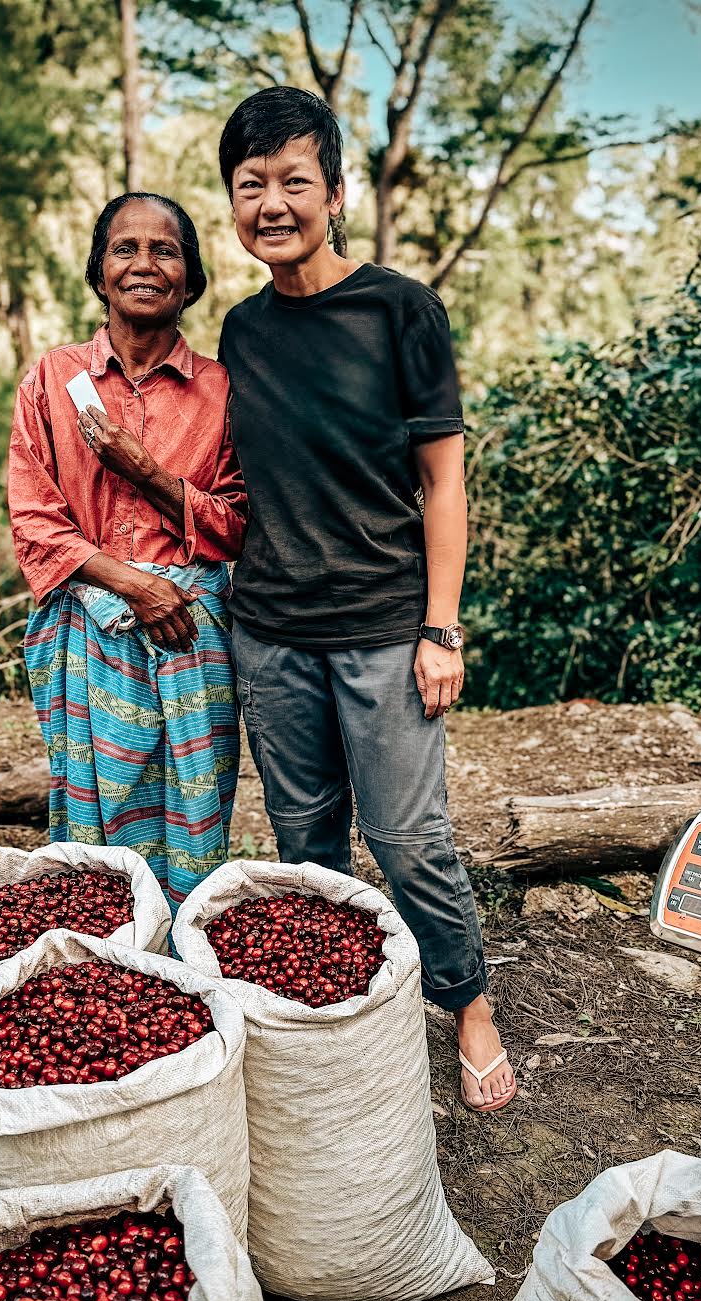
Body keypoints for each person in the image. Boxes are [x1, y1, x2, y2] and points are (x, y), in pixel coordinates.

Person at [216, 88, 516, 1112]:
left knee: (406, 835)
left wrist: (442, 627)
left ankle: (466, 1003)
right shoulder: (239, 329)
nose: (271, 202)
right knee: (305, 842)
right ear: (232, 203)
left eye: (293, 180)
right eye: (250, 184)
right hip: (270, 634)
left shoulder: (399, 309)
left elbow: (444, 482)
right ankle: (334, 1012)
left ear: (334, 192)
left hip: (387, 629)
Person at [7, 193, 247, 909]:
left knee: (192, 819)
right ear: (100, 271)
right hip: (89, 634)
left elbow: (236, 524)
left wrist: (144, 469)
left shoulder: (222, 391)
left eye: (165, 250)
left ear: (191, 278)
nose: (145, 264)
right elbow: (35, 523)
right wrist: (134, 586)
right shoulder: (52, 380)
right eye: (124, 249)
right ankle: (106, 973)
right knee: (92, 825)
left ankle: (183, 971)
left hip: (191, 634)